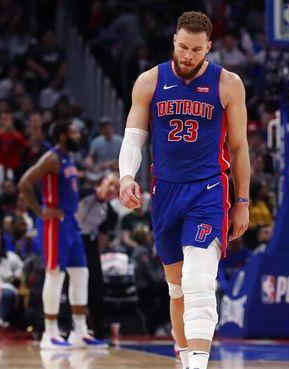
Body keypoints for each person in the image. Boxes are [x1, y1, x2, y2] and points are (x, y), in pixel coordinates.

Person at [118, 11, 250, 369]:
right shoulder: (149, 81)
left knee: (198, 280)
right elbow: (134, 137)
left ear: (209, 46)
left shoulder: (228, 84)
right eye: (183, 47)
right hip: (166, 193)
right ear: (173, 41)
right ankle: (183, 356)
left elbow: (238, 148)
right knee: (176, 289)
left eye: (196, 49)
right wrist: (127, 176)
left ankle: (198, 364)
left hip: (208, 191)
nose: (188, 55)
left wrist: (242, 200)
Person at [18, 120, 107, 349]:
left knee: (80, 274)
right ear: (61, 136)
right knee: (55, 275)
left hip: (72, 222)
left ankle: (79, 331)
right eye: (72, 132)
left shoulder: (70, 159)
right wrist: (40, 211)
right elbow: (25, 183)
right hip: (55, 222)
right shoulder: (52, 158)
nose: (78, 135)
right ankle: (50, 333)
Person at [75, 172, 119, 340]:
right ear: (100, 183)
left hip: (89, 244)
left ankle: (99, 331)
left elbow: (102, 237)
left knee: (96, 285)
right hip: (70, 237)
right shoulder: (83, 194)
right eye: (110, 184)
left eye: (116, 188)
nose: (112, 189)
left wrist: (95, 260)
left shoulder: (110, 212)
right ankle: (66, 326)